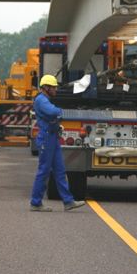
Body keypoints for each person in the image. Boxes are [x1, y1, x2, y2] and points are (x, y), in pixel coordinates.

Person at [30, 75, 85, 212]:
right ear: (46, 87)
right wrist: (60, 111)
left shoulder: (46, 99)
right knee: (44, 171)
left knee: (60, 171)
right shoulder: (41, 100)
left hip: (52, 138)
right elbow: (53, 111)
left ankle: (68, 201)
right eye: (53, 87)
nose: (56, 89)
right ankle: (35, 202)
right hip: (46, 138)